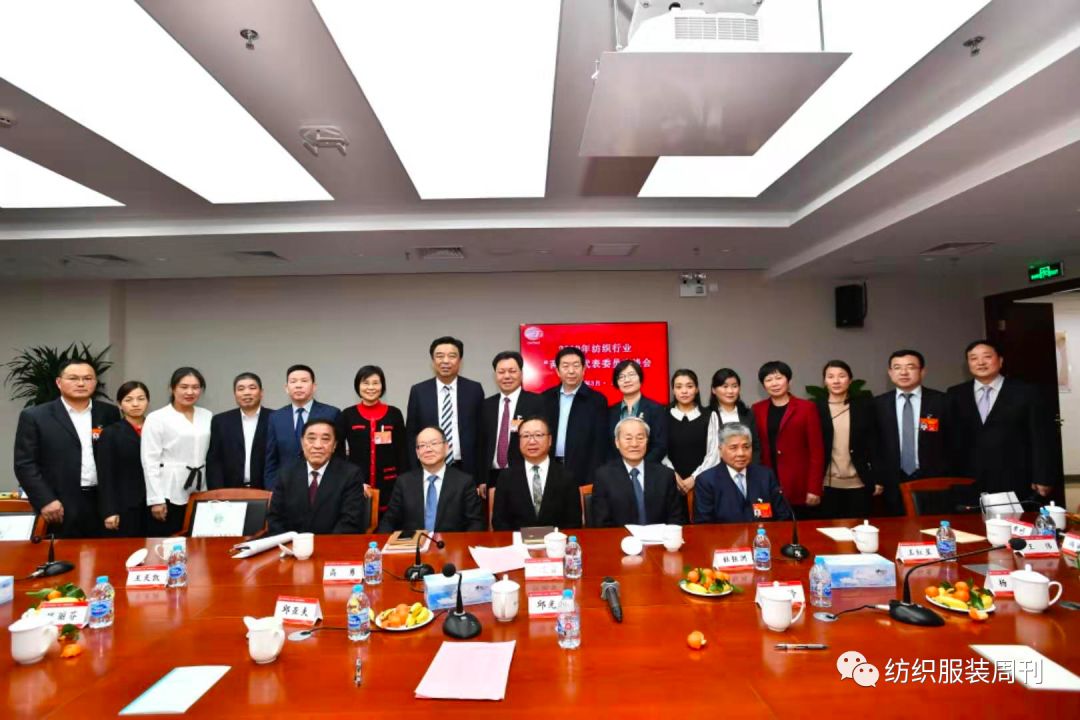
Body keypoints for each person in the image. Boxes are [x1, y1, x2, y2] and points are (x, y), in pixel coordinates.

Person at [14, 359, 121, 538]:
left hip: (103, 503)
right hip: (59, 504)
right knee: (62, 553)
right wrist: (46, 500)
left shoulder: (109, 413)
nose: (81, 383)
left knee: (106, 553)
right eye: (73, 378)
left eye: (87, 378)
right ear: (58, 382)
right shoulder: (35, 416)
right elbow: (25, 464)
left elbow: (116, 458)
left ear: (95, 382)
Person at [946, 340, 1055, 500]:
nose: (980, 362)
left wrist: (1043, 476)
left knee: (1016, 516)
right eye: (973, 358)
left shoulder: (1026, 392)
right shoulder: (955, 394)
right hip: (968, 478)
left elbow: (1041, 437)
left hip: (1014, 477)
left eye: (987, 356)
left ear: (1000, 360)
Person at [873, 349, 950, 515]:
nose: (903, 372)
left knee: (932, 524)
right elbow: (875, 445)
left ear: (922, 371)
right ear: (890, 373)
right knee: (895, 527)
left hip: (932, 479)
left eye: (910, 367)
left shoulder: (941, 401)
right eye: (897, 367)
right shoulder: (878, 404)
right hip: (892, 481)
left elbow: (953, 442)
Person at [142, 367, 213, 536]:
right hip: (168, 489)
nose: (190, 392)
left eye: (195, 387)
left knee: (197, 541)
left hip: (200, 488)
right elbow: (149, 460)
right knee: (168, 541)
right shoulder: (157, 418)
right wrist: (156, 499)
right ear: (172, 388)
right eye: (184, 387)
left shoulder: (207, 415)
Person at [266, 419, 368, 535]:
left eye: (325, 439)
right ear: (302, 442)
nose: (318, 446)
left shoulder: (351, 474)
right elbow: (275, 519)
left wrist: (322, 545)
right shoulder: (286, 473)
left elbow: (349, 522)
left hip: (333, 543)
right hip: (292, 543)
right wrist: (292, 542)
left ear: (334, 445)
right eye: (311, 438)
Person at [377, 426, 485, 533]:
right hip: (414, 543)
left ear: (446, 447)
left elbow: (476, 523)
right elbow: (388, 521)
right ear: (417, 453)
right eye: (422, 445)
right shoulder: (404, 482)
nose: (428, 449)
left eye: (434, 443)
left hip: (451, 543)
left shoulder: (464, 482)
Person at [751, 361, 825, 513]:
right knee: (766, 524)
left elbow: (817, 451)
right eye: (768, 380)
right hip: (767, 483)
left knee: (800, 524)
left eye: (779, 378)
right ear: (763, 385)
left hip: (799, 483)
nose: (774, 383)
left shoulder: (807, 408)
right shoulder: (757, 409)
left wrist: (814, 487)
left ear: (789, 380)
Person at [405, 336, 485, 476]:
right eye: (440, 356)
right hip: (430, 467)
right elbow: (412, 433)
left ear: (460, 360)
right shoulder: (419, 391)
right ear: (433, 361)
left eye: (452, 356)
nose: (446, 361)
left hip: (467, 468)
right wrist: (415, 470)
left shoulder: (474, 389)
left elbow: (482, 432)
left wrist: (482, 475)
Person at [591, 417, 688, 527]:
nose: (634, 444)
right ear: (617, 442)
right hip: (621, 537)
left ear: (647, 441)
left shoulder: (665, 475)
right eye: (628, 438)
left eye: (640, 438)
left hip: (659, 537)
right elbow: (601, 523)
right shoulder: (604, 477)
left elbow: (676, 518)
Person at [336, 365, 407, 513]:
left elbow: (402, 451)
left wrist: (403, 483)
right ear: (358, 386)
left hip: (390, 484)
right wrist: (351, 479)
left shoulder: (394, 413)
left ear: (382, 386)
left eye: (375, 383)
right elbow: (338, 452)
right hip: (358, 484)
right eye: (365, 383)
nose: (371, 387)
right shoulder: (347, 415)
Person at [491, 417, 582, 531]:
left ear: (550, 440)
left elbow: (573, 523)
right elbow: (499, 522)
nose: (532, 441)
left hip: (556, 541)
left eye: (538, 435)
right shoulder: (506, 478)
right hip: (517, 541)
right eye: (526, 436)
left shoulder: (567, 477)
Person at [814, 360, 879, 520]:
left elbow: (875, 444)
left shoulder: (864, 407)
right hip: (827, 484)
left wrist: (878, 479)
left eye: (841, 376)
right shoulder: (815, 409)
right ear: (824, 381)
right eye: (830, 376)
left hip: (860, 483)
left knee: (859, 529)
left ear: (850, 380)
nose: (836, 381)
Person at [693, 423, 792, 524]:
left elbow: (783, 516)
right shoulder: (706, 481)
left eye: (746, 447)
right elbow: (703, 524)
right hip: (725, 534)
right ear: (720, 451)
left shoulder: (766, 476)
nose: (741, 453)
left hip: (763, 533)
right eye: (733, 448)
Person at [479, 351, 545, 496]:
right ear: (495, 375)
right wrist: (482, 478)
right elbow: (482, 444)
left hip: (524, 474)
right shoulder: (486, 405)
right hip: (492, 477)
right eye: (501, 372)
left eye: (512, 371)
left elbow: (544, 441)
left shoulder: (537, 402)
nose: (507, 376)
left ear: (521, 373)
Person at [264, 365, 340, 491]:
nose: (298, 385)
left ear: (314, 386)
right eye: (293, 381)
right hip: (285, 486)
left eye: (304, 381)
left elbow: (338, 455)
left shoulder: (331, 413)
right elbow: (271, 459)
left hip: (323, 485)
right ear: (286, 388)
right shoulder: (276, 417)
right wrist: (272, 489)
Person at [542, 346, 607, 487]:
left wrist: (592, 478)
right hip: (549, 468)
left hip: (582, 470)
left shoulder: (596, 400)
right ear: (557, 371)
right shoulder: (546, 398)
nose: (571, 371)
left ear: (584, 369)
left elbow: (599, 445)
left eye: (576, 365)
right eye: (565, 366)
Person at [97, 381, 151, 537]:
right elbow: (105, 474)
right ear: (120, 404)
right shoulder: (110, 433)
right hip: (125, 504)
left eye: (141, 399)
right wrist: (109, 510)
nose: (135, 404)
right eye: (128, 400)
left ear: (148, 401)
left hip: (155, 503)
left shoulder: (156, 428)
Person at [207, 372, 272, 489]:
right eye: (241, 389)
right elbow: (214, 461)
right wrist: (217, 492)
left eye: (252, 388)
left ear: (261, 392)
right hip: (229, 491)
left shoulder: (276, 418)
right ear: (235, 394)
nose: (246, 392)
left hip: (267, 490)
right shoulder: (221, 421)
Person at [663, 369, 719, 497]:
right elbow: (660, 451)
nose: (684, 391)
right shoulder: (663, 415)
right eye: (679, 387)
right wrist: (673, 475)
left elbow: (714, 453)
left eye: (689, 386)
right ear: (673, 390)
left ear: (697, 389)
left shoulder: (709, 416)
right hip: (670, 482)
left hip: (702, 483)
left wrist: (694, 478)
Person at [607, 360, 668, 463]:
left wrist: (640, 467)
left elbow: (660, 445)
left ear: (640, 378)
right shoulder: (610, 412)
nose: (627, 380)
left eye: (631, 375)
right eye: (621, 377)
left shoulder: (656, 409)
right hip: (616, 470)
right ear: (616, 382)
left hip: (648, 468)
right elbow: (607, 446)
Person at [708, 368, 760, 464]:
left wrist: (752, 468)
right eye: (725, 386)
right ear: (714, 390)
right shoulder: (707, 415)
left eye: (734, 386)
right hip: (715, 469)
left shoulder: (748, 414)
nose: (730, 391)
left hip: (746, 468)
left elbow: (756, 446)